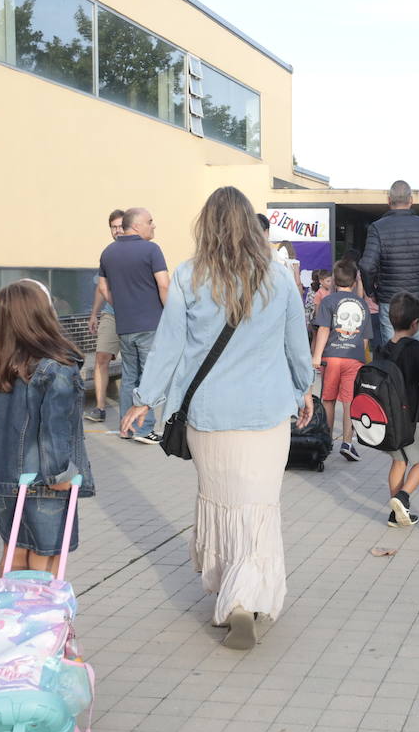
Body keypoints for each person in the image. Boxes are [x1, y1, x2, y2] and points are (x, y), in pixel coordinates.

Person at [124, 186, 313, 649]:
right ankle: (246, 597)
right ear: (251, 224)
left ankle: (232, 592)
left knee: (223, 502)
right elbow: (296, 343)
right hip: (266, 415)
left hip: (208, 416)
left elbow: (168, 346)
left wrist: (144, 399)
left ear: (205, 226)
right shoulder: (279, 277)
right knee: (258, 507)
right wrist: (304, 388)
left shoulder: (189, 276)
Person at [0, 279, 94, 578]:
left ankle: (4, 618)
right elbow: (54, 429)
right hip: (46, 480)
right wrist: (61, 474)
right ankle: (39, 622)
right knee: (46, 559)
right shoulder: (57, 368)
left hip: (4, 480)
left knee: (13, 551)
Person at [98, 206, 168, 445]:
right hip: (150, 324)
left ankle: (126, 428)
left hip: (124, 325)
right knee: (149, 376)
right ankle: (144, 428)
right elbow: (164, 285)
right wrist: (169, 314)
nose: (153, 225)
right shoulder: (151, 250)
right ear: (136, 225)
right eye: (150, 221)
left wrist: (121, 306)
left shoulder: (108, 252)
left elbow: (103, 288)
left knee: (130, 376)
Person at [359, 180, 419, 350]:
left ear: (388, 200)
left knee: (393, 354)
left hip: (389, 299)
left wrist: (372, 292)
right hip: (418, 299)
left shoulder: (377, 228)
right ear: (411, 200)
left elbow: (367, 266)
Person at [380, 292, 419, 528]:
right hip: (413, 415)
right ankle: (403, 496)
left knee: (398, 462)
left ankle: (396, 513)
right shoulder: (416, 348)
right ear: (415, 324)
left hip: (389, 416)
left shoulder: (384, 348)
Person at [311, 259, 373, 462]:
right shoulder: (363, 304)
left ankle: (326, 440)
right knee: (349, 401)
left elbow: (323, 329)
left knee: (328, 399)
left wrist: (317, 356)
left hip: (331, 357)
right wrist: (360, 357)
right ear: (354, 282)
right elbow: (365, 338)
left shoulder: (329, 301)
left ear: (335, 281)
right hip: (353, 358)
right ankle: (348, 442)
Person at [85, 209, 126, 424]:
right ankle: (100, 408)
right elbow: (101, 287)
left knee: (132, 362)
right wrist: (94, 314)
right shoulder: (107, 253)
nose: (117, 230)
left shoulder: (139, 250)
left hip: (134, 317)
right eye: (113, 227)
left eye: (120, 226)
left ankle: (133, 410)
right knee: (101, 357)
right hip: (111, 314)